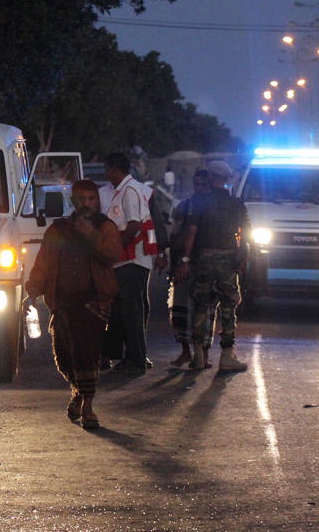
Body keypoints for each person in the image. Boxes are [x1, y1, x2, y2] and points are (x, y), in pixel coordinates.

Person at [25, 180, 122, 429]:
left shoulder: (105, 227)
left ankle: (88, 406)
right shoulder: (58, 230)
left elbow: (113, 255)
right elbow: (43, 263)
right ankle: (78, 392)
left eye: (91, 199)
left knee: (87, 354)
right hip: (64, 303)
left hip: (93, 303)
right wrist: (33, 290)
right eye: (81, 199)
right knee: (66, 357)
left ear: (97, 201)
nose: (86, 203)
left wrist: (89, 234)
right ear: (73, 201)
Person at [175, 160, 252, 372]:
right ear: (226, 179)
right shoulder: (237, 204)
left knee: (201, 305)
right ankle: (227, 356)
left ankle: (198, 354)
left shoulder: (200, 202)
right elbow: (246, 233)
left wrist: (184, 260)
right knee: (228, 307)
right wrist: (244, 256)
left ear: (210, 178)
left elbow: (191, 232)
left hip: (204, 260)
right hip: (228, 260)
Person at [100, 152, 160, 375]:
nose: (107, 175)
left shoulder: (129, 191)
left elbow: (134, 225)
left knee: (132, 311)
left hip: (132, 259)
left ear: (117, 169)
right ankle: (129, 356)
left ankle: (135, 359)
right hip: (131, 260)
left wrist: (115, 249)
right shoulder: (128, 190)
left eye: (108, 170)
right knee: (127, 310)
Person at [168, 169, 213, 368]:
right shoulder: (184, 207)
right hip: (185, 266)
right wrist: (176, 264)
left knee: (206, 310)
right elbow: (174, 235)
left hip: (207, 266)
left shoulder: (215, 208)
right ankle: (186, 352)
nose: (199, 188)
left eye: (203, 184)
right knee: (181, 309)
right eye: (197, 184)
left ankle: (203, 354)